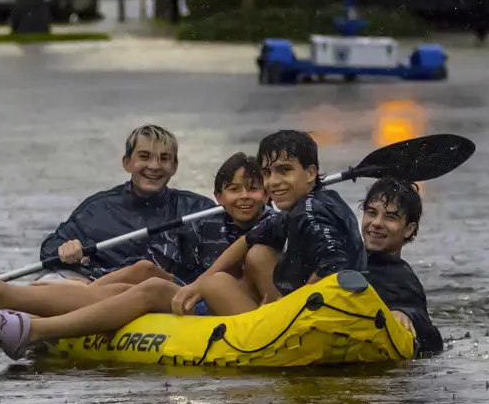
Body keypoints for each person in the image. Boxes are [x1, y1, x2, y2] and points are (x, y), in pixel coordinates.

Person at [0, 153, 271, 358]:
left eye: (254, 189)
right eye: (235, 190)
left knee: (146, 290)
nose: (245, 197)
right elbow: (167, 262)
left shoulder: (272, 225)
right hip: (197, 294)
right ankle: (0, 296)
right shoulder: (208, 219)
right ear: (219, 195)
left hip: (229, 309)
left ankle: (19, 313)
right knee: (142, 269)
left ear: (267, 193)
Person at [169, 129, 367, 317]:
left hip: (332, 314)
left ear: (310, 173)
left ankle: (263, 329)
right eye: (267, 173)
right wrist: (197, 284)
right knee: (257, 254)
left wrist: (288, 307)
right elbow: (248, 240)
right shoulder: (305, 207)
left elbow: (334, 264)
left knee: (215, 285)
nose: (273, 182)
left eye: (284, 170)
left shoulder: (311, 211)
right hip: (312, 306)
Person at [38, 124, 215, 280]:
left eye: (164, 158)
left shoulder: (198, 209)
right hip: (102, 294)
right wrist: (64, 250)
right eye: (144, 156)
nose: (154, 166)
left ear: (174, 166)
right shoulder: (97, 210)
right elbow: (49, 249)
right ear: (127, 163)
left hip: (172, 298)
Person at [357, 177, 444, 356]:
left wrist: (404, 314)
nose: (377, 223)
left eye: (390, 217)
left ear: (408, 229)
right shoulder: (339, 258)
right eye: (371, 213)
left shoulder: (402, 279)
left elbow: (432, 338)